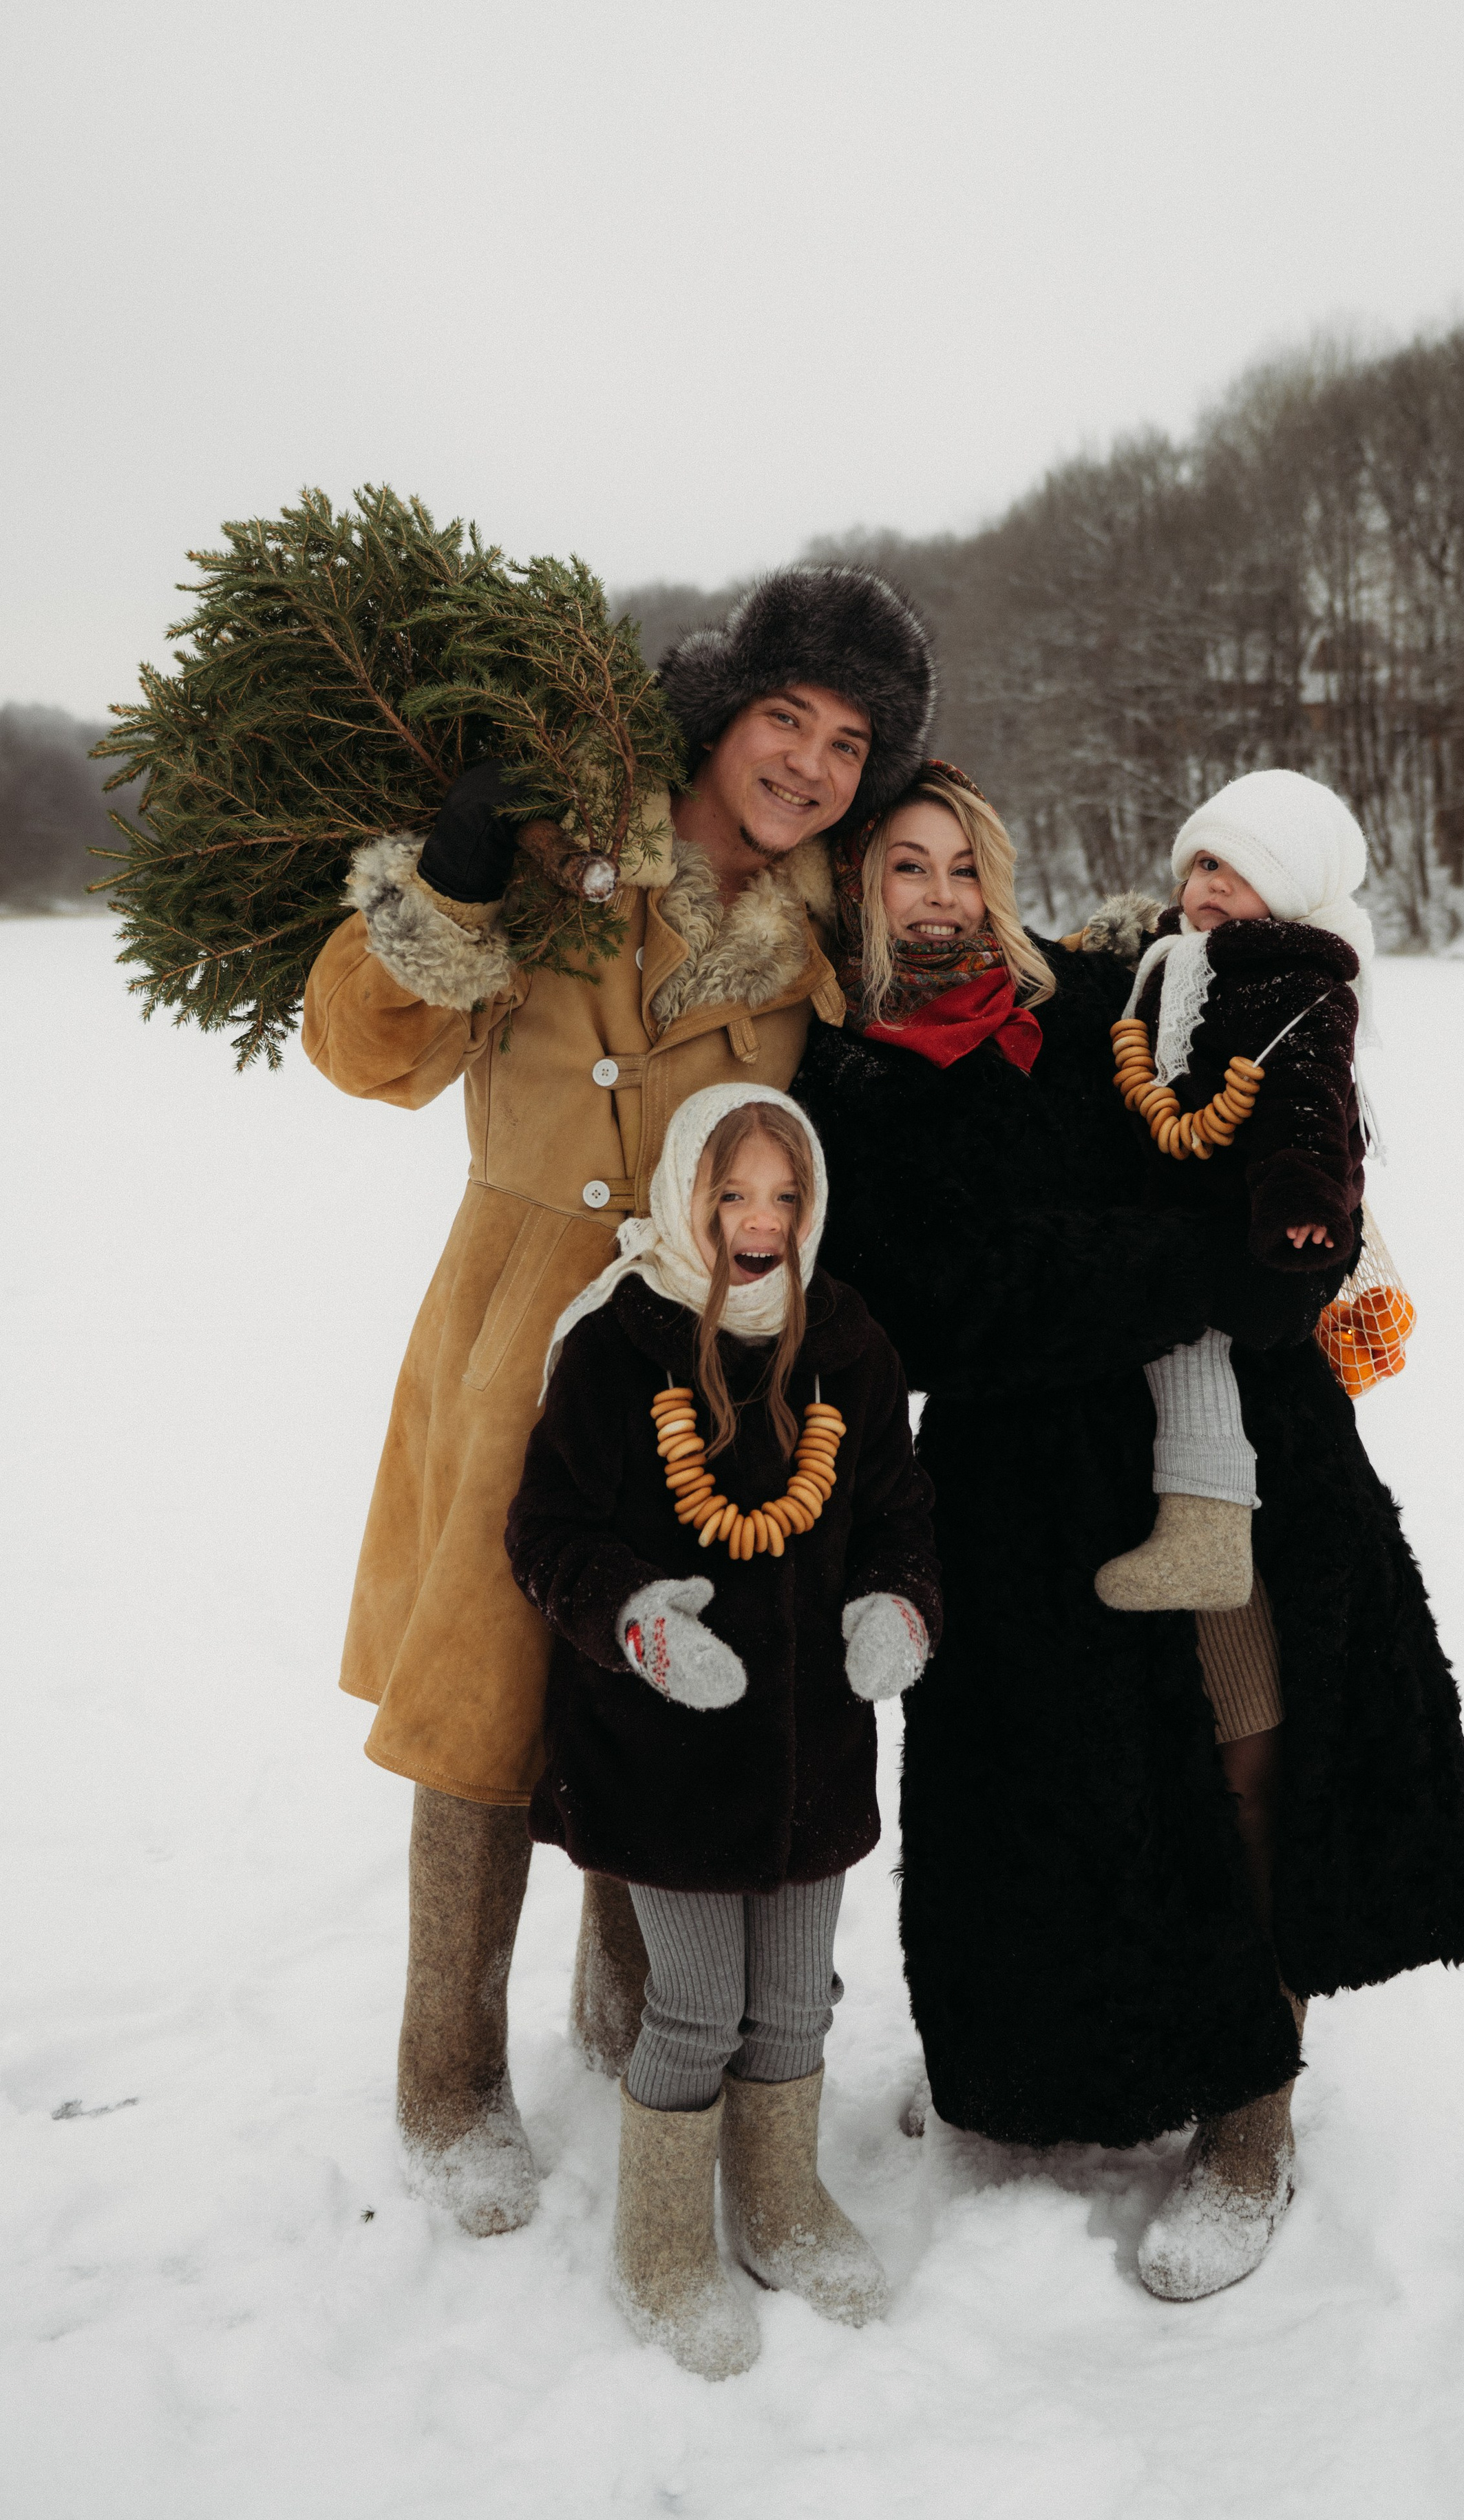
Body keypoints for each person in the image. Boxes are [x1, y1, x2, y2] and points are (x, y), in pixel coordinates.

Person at [789, 759, 1464, 2303]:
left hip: (1231, 1439)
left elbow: (1277, 1199)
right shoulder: (837, 1072)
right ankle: (1038, 2059)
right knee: (1035, 1787)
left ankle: (1253, 2116)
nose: (939, 897)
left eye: (963, 864)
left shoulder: (1100, 998)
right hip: (1013, 1474)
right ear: (859, 889)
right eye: (904, 867)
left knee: (1253, 1748)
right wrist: (1177, 1259)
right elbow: (930, 1302)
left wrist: (1214, 1249)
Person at [301, 566, 935, 2234]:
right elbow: (367, 1057)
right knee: (483, 1695)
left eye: (846, 742)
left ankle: (630, 2001)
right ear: (722, 710)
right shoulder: (560, 858)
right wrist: (448, 879)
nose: (807, 763)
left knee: (673, 1658)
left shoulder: (821, 934)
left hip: (705, 1348)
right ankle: (446, 2077)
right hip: (520, 1322)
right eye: (785, 716)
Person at [505, 1084, 939, 2377]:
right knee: (696, 2005)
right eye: (732, 1193)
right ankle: (659, 2239)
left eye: (786, 1197)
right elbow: (546, 1532)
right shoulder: (617, 1344)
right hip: (662, 1759)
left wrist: (897, 1605)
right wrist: (634, 1621)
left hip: (814, 1748)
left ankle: (780, 2202)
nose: (761, 1222)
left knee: (796, 1999)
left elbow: (898, 1510)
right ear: (682, 1194)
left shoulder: (848, 1344)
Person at [1096, 770, 1373, 1615]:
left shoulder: (1296, 983)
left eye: (1242, 871)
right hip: (1167, 1202)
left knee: (1191, 1351)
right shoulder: (1170, 954)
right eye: (1204, 862)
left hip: (1234, 1215)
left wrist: (1302, 1199)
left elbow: (1309, 1103)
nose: (1210, 884)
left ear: (1290, 893)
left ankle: (1206, 1530)